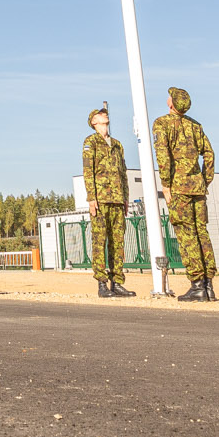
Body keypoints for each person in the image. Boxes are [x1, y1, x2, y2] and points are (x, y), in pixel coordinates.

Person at [152, 88, 216, 302]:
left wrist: (166, 185)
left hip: (179, 187)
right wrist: (205, 179)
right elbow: (209, 153)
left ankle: (197, 284)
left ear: (171, 104)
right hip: (197, 186)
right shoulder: (195, 125)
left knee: (187, 235)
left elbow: (163, 155)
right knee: (201, 233)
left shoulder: (162, 123)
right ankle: (209, 285)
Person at [82, 106, 135, 298]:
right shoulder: (91, 142)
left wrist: (126, 197)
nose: (105, 115)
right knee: (99, 241)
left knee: (117, 243)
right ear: (94, 122)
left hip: (117, 199)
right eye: (100, 114)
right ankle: (102, 284)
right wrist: (91, 198)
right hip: (101, 200)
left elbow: (123, 173)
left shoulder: (117, 144)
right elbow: (88, 171)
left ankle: (117, 282)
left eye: (106, 114)